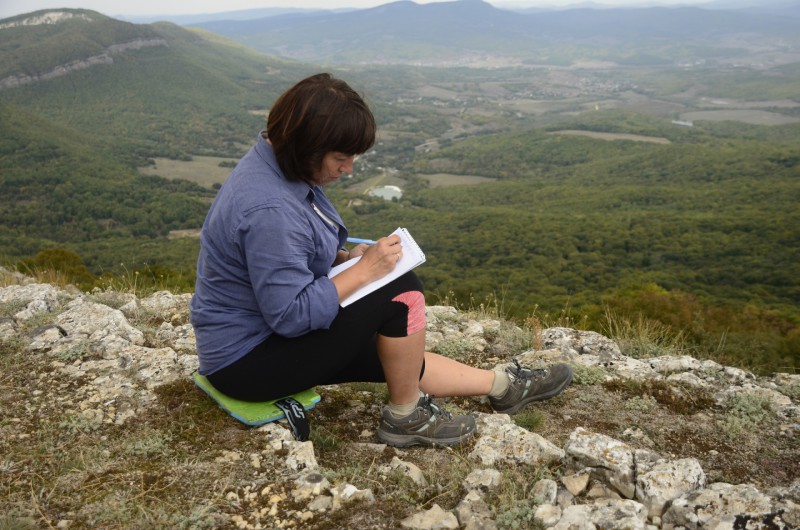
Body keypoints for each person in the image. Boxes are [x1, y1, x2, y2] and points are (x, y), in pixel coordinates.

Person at [190, 73, 573, 448]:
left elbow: (287, 260)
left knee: (397, 354)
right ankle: (405, 418)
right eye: (341, 158)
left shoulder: (278, 164)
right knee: (401, 289)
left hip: (256, 344)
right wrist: (364, 271)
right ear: (304, 146)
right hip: (247, 363)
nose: (349, 169)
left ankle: (503, 387)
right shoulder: (269, 207)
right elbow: (290, 314)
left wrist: (345, 259)